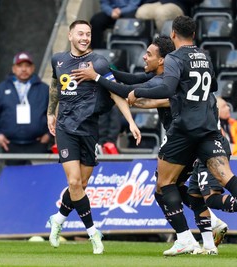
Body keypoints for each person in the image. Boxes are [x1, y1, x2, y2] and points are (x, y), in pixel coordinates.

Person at [126, 15, 237, 256]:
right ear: (194, 34)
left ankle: (183, 238)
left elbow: (168, 89)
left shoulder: (173, 57)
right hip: (208, 127)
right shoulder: (204, 56)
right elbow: (211, 87)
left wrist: (137, 91)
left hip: (185, 129)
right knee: (227, 178)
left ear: (173, 34)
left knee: (164, 183)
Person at [72, 35, 228, 255]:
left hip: (182, 140)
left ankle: (189, 236)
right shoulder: (164, 76)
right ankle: (208, 224)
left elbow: (129, 91)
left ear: (162, 60)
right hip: (188, 137)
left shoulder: (163, 82)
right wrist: (106, 70)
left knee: (164, 187)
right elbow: (132, 78)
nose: (144, 57)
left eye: (150, 54)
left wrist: (97, 77)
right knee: (173, 188)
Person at [46, 20, 142, 255]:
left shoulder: (98, 62)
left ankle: (58, 218)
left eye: (88, 34)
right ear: (70, 35)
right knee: (74, 182)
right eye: (80, 33)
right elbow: (55, 84)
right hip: (65, 128)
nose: (85, 37)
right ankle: (93, 232)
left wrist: (130, 121)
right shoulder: (58, 59)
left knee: (83, 184)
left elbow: (116, 91)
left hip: (89, 129)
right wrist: (50, 112)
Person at [0, 51, 51, 166]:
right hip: (11, 145)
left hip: (38, 144)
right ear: (13, 68)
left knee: (39, 180)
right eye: (20, 66)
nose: (24, 69)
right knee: (14, 180)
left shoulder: (44, 90)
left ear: (33, 68)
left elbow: (56, 113)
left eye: (27, 66)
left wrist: (49, 135)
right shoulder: (1, 89)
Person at [135, 0, 203, 32]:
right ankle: (148, 49)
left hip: (176, 4)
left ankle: (167, 46)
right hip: (154, 3)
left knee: (162, 12)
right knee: (142, 12)